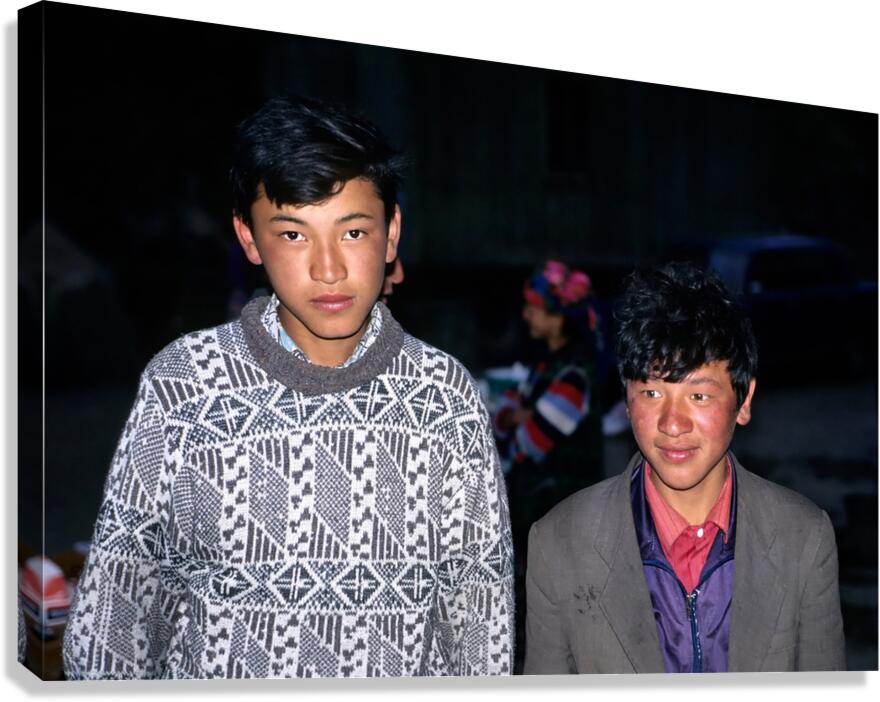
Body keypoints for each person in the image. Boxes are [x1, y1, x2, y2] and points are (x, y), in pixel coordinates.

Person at [63, 96, 513, 679]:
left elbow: (481, 629)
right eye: (294, 235)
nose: (329, 268)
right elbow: (112, 625)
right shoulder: (185, 387)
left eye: (353, 231)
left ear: (392, 232)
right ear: (249, 239)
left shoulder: (443, 398)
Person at [524, 262, 846, 673]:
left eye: (699, 396)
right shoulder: (559, 544)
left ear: (744, 400)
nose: (672, 424)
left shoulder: (804, 539)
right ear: (626, 399)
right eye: (652, 392)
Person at [492, 259, 602, 671]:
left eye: (534, 308)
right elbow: (504, 416)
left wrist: (519, 418)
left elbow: (525, 443)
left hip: (562, 510)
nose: (526, 315)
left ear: (558, 319)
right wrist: (517, 417)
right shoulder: (544, 365)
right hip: (539, 508)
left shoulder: (572, 374)